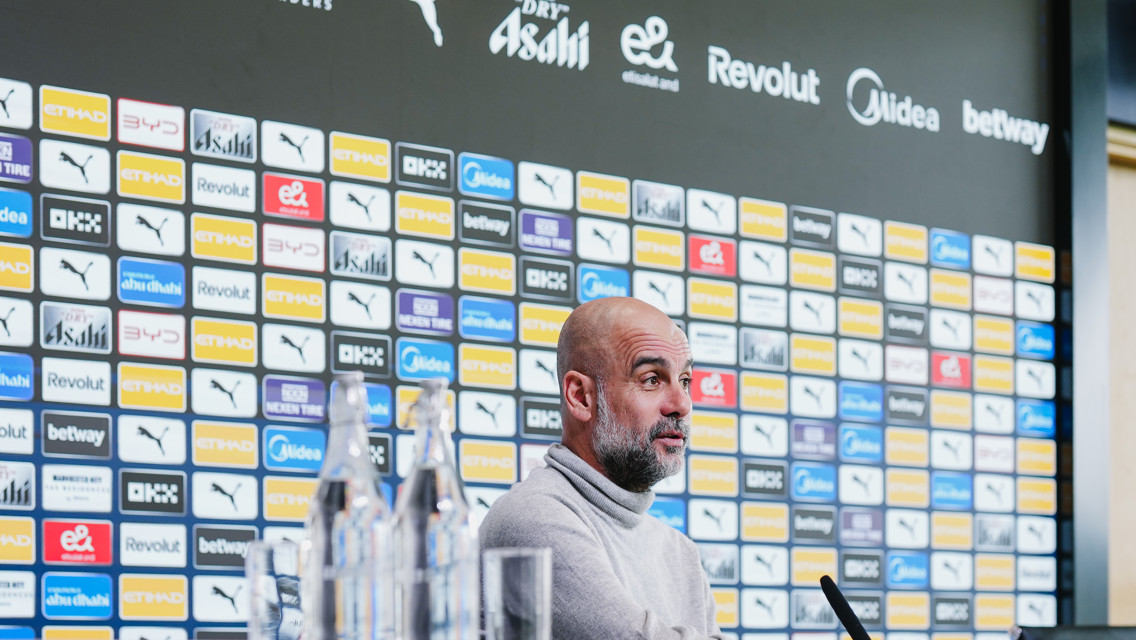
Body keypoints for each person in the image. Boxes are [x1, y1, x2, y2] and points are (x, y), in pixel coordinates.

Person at [479, 297, 726, 639]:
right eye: (652, 379)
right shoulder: (531, 517)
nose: (681, 404)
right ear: (581, 397)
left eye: (684, 380)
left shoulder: (679, 551)